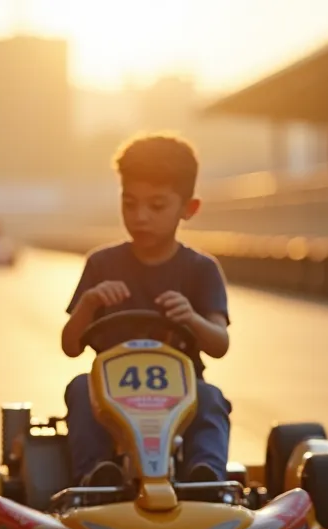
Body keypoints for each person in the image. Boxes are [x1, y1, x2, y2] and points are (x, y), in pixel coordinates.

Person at [60, 133, 232, 488]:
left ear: (189, 209)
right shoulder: (101, 263)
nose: (140, 217)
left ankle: (207, 478)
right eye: (130, 204)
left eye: (156, 206)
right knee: (79, 387)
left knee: (211, 397)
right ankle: (94, 478)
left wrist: (191, 318)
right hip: (109, 393)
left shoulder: (200, 269)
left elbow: (219, 344)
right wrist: (90, 303)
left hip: (180, 392)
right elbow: (71, 346)